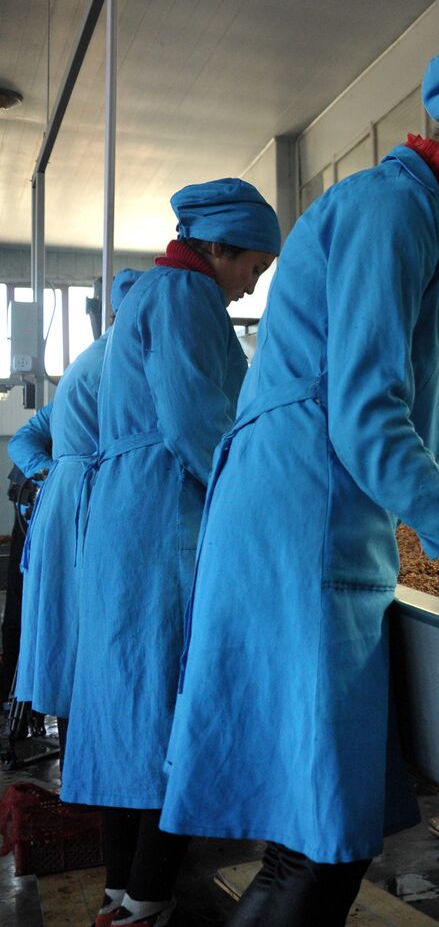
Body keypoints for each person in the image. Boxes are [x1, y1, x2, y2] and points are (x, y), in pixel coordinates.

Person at [159, 22, 439, 926]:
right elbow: (368, 421)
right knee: (317, 844)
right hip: (302, 520)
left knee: (325, 836)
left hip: (319, 517)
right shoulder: (389, 211)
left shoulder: (427, 226)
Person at [62, 181, 278, 927]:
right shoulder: (187, 295)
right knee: (170, 710)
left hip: (129, 516)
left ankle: (120, 893)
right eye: (251, 266)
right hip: (163, 518)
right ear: (219, 248)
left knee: (130, 707)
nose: (252, 282)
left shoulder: (154, 295)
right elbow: (198, 423)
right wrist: (262, 496)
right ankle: (149, 898)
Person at [14, 269, 140, 727]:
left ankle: (75, 776)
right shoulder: (124, 366)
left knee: (69, 632)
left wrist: (50, 472)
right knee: (94, 634)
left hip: (66, 500)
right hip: (89, 504)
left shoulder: (86, 362)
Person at [2, 404, 52, 700]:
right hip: (31, 503)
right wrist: (51, 474)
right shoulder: (77, 395)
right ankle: (15, 694)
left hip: (39, 498)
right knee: (22, 604)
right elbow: (20, 441)